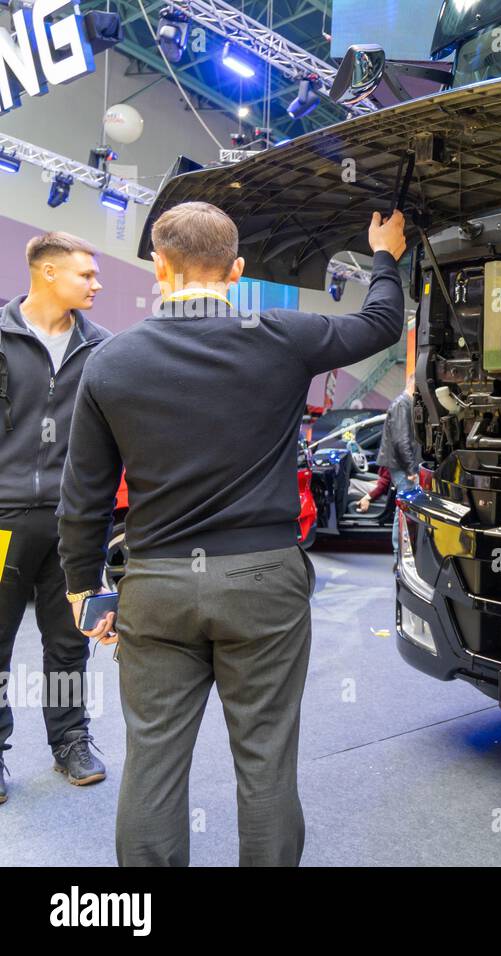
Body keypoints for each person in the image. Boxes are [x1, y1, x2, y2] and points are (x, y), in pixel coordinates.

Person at [57, 201, 407, 865]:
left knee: (152, 766)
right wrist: (384, 253)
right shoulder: (282, 334)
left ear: (158, 266)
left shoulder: (109, 361)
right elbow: (382, 322)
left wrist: (82, 586)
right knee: (267, 764)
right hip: (263, 585)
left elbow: (86, 493)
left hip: (156, 588)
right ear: (238, 269)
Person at [0, 232, 110, 805]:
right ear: (47, 274)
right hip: (1, 523)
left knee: (69, 643)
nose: (97, 283)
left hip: (73, 527)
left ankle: (71, 741)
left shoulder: (102, 348)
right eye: (86, 275)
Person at [376, 375, 420, 551]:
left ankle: (400, 553)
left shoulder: (404, 404)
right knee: (403, 510)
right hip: (402, 467)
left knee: (403, 509)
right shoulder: (402, 404)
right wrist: (411, 469)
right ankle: (399, 553)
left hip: (401, 466)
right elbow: (401, 441)